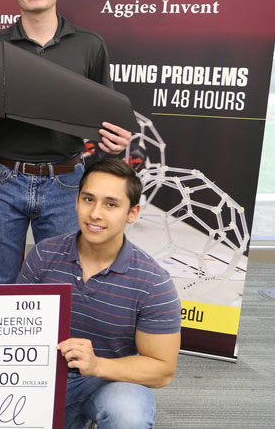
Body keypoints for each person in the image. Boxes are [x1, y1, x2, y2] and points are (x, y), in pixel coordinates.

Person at [0, 0, 132, 285]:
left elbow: (107, 119)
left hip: (66, 182)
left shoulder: (90, 45)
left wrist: (116, 140)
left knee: (61, 286)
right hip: (3, 180)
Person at [19, 159, 181, 429]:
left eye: (111, 204)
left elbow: (162, 370)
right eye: (88, 199)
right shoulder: (44, 254)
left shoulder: (153, 283)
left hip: (106, 381)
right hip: (40, 379)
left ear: (132, 212)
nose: (95, 213)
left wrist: (96, 365)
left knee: (130, 414)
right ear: (77, 201)